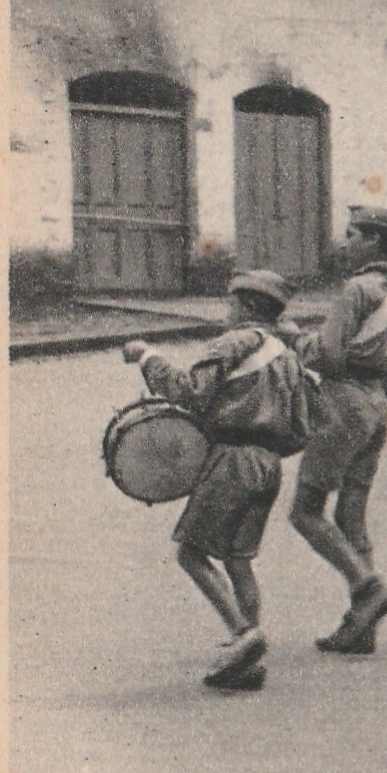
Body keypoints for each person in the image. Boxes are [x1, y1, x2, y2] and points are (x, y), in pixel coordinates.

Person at [122, 271, 310, 691]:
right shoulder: (287, 354)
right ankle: (248, 660)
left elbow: (188, 390)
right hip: (268, 464)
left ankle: (245, 635)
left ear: (246, 307)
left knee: (191, 553)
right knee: (238, 559)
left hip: (232, 460)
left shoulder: (235, 342)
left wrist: (147, 356)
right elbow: (301, 427)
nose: (228, 311)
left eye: (232, 304)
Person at [287, 206, 387, 655]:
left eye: (353, 235)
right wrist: (375, 404)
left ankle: (367, 585)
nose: (346, 243)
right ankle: (363, 629)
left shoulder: (356, 289)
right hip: (377, 407)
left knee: (305, 512)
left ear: (374, 243)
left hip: (343, 403)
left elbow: (329, 356)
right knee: (351, 519)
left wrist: (293, 338)